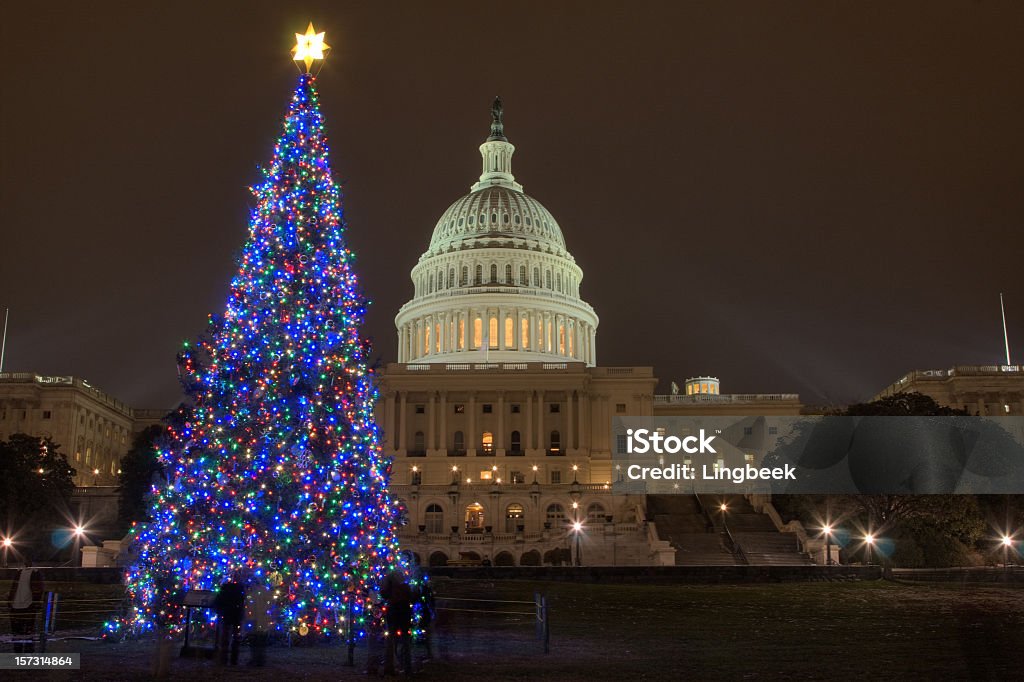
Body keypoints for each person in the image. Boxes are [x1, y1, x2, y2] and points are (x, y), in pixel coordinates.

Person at [379, 570, 413, 676]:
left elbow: (384, 594)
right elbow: (412, 596)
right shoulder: (406, 586)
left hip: (393, 613)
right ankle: (407, 667)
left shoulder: (390, 586)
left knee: (391, 641)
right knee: (405, 641)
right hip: (404, 614)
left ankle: (389, 667)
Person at [8, 558, 44, 653]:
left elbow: (39, 589)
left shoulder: (35, 572)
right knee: (19, 633)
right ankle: (20, 654)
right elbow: (14, 587)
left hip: (27, 606)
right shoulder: (20, 571)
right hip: (17, 606)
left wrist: (35, 602)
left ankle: (26, 654)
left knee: (26, 633)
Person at [212, 573, 246, 665]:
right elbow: (243, 605)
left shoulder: (224, 590)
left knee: (225, 638)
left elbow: (217, 603)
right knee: (236, 638)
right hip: (236, 616)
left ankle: (224, 659)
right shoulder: (241, 591)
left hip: (226, 616)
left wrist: (220, 612)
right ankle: (234, 660)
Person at [245, 581, 272, 667]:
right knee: (254, 640)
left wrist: (263, 612)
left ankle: (259, 659)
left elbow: (269, 603)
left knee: (259, 640)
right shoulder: (250, 591)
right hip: (254, 619)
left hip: (260, 619)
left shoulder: (262, 591)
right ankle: (256, 658)